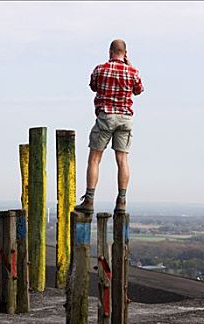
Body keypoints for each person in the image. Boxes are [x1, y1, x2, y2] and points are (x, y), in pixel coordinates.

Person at [74, 39, 144, 214]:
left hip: (106, 117)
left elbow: (93, 86)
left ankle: (89, 200)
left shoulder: (101, 69)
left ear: (110, 51)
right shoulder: (132, 72)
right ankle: (121, 201)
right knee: (122, 160)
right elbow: (139, 89)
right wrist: (130, 65)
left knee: (95, 159)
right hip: (125, 119)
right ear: (125, 53)